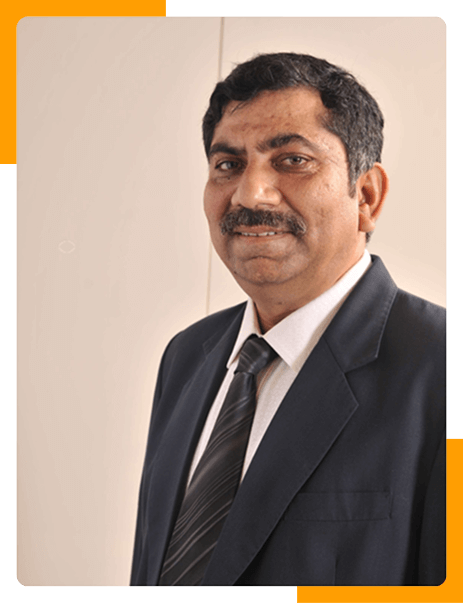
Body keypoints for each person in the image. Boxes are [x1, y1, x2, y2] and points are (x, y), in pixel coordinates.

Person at [130, 52, 446, 586]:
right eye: (228, 164)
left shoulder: (438, 368)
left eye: (293, 160)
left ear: (367, 197)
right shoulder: (187, 355)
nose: (249, 193)